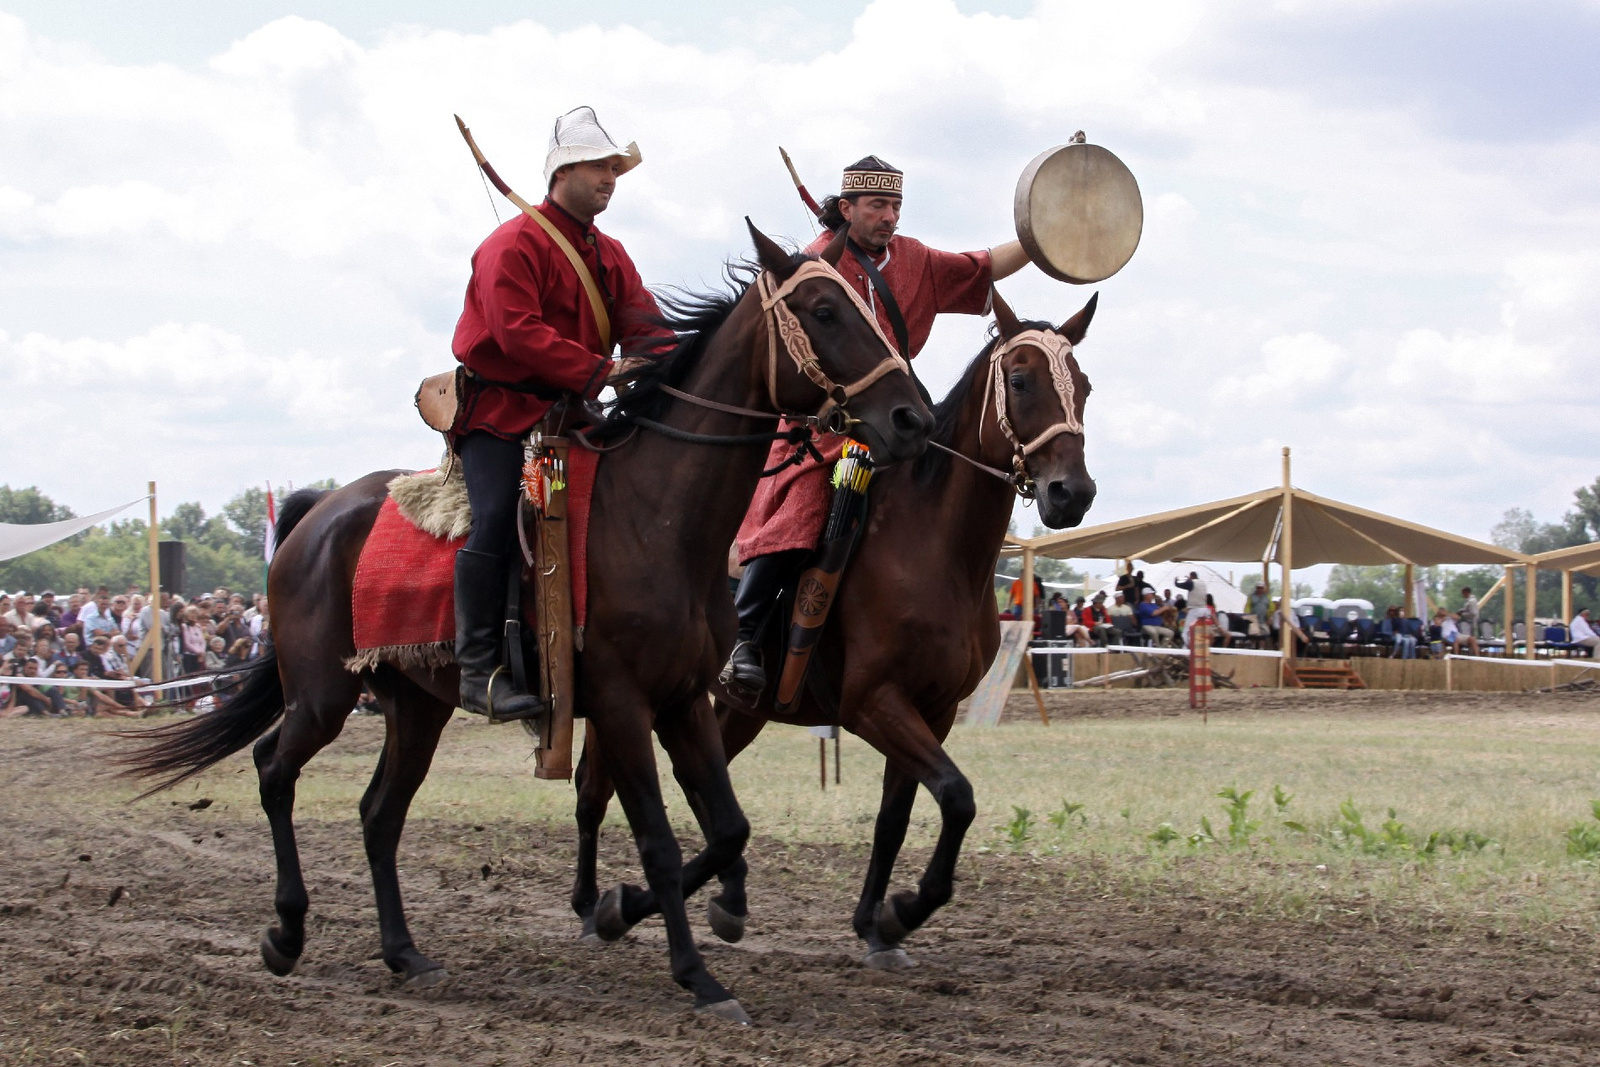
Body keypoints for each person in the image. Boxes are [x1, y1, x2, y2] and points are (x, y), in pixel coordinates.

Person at [724, 154, 1033, 701]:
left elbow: (984, 266)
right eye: (876, 205)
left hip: (902, 415)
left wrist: (1044, 235)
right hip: (822, 422)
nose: (889, 216)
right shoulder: (815, 266)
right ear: (847, 208)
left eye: (895, 205)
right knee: (803, 508)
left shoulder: (914, 259)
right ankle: (745, 638)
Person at [449, 106, 665, 722]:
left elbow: (645, 327)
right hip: (500, 415)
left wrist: (675, 370)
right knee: (494, 518)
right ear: (563, 171)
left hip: (573, 414)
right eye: (599, 166)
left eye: (615, 168)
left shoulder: (612, 253)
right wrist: (600, 372)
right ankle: (478, 669)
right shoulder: (509, 245)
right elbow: (518, 335)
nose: (611, 178)